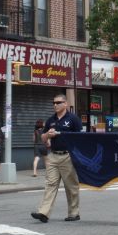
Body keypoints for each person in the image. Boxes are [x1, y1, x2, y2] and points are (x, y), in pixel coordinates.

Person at [31, 94, 83, 223]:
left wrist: (61, 134)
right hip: (53, 155)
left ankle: (74, 213)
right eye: (53, 103)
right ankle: (44, 213)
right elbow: (42, 138)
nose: (55, 105)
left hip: (68, 156)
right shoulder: (50, 120)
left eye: (58, 102)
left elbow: (80, 137)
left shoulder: (73, 119)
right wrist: (48, 134)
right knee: (50, 184)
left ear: (65, 104)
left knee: (71, 186)